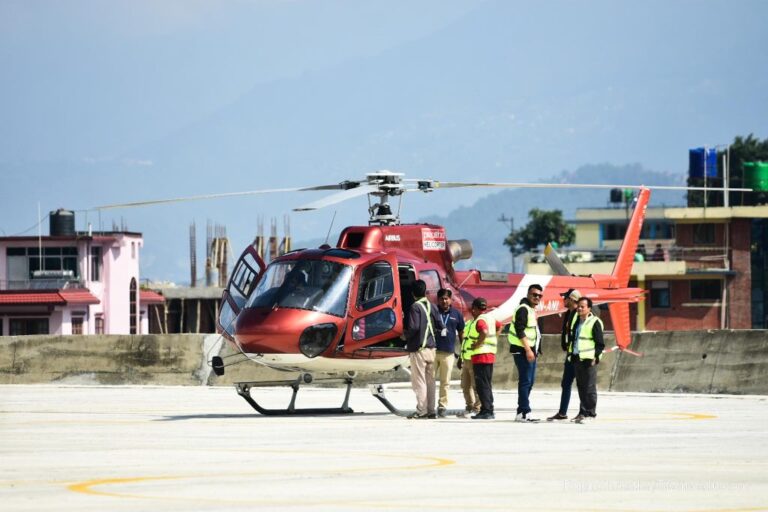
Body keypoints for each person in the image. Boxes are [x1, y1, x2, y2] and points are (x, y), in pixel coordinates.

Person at [404, 279, 444, 419]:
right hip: (431, 349)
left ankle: (422, 411)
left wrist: (405, 336)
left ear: (413, 293)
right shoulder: (432, 306)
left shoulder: (415, 307)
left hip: (419, 350)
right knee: (430, 381)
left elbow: (414, 327)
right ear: (425, 291)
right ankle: (431, 411)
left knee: (419, 381)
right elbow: (440, 324)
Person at [508, 284, 543, 422]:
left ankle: (520, 411)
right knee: (525, 381)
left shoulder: (530, 310)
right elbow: (520, 330)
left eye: (539, 295)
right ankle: (525, 412)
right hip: (522, 349)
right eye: (534, 295)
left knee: (529, 381)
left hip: (530, 350)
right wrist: (528, 350)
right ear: (528, 294)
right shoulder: (523, 309)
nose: (537, 297)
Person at [547, 289, 581, 421]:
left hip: (578, 355)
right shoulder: (569, 313)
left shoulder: (579, 314)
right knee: (566, 383)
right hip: (570, 354)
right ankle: (562, 412)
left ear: (572, 299)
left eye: (565, 298)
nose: (563, 300)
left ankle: (584, 411)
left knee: (581, 384)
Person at [570, 296, 605, 424]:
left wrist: (595, 357)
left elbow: (600, 343)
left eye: (582, 306)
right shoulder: (577, 321)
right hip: (577, 358)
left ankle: (591, 413)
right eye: (578, 306)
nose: (579, 308)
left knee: (589, 388)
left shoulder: (594, 322)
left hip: (589, 360)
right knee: (581, 387)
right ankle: (583, 412)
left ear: (589, 308)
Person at [464, 297, 500, 420]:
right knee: (487, 384)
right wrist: (495, 337)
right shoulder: (490, 317)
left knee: (482, 385)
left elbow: (483, 332)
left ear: (474, 309)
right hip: (489, 354)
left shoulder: (480, 320)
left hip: (481, 356)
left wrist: (478, 344)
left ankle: (486, 411)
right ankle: (489, 408)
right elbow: (500, 326)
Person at [434, 288, 465, 417]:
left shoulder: (456, 314)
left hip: (448, 353)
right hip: (433, 351)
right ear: (438, 300)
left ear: (451, 299)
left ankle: (442, 406)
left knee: (445, 382)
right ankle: (427, 405)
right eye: (441, 298)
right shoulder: (433, 312)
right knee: (429, 380)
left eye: (446, 298)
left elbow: (462, 332)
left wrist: (462, 351)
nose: (444, 301)